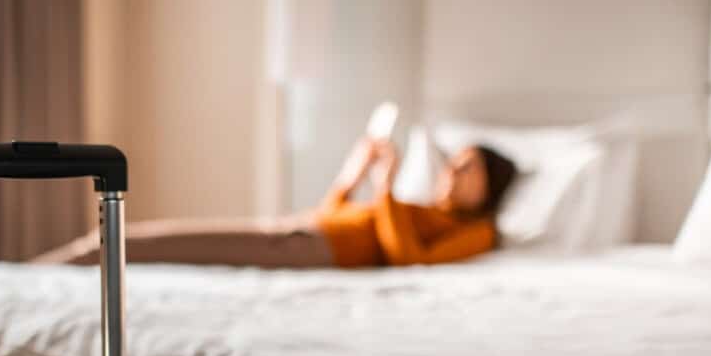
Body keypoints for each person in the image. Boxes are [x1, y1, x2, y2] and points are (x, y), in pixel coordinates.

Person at [41, 139, 518, 268]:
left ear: (489, 185)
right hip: (305, 229)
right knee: (143, 240)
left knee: (152, 244)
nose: (451, 171)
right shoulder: (417, 207)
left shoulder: (481, 231)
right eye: (453, 162)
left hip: (310, 248)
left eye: (466, 166)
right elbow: (335, 214)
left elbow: (407, 258)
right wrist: (353, 177)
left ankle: (64, 261)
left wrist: (387, 186)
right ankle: (63, 260)